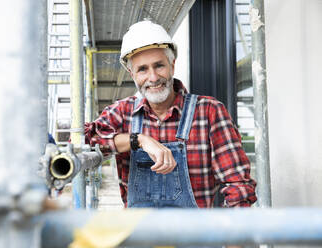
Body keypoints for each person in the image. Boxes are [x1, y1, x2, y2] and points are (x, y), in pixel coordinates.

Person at [85, 20, 257, 208]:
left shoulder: (209, 112)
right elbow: (81, 144)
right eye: (142, 69)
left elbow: (238, 187)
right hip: (140, 236)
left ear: (172, 65)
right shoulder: (123, 112)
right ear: (131, 74)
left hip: (193, 235)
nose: (153, 77)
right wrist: (138, 140)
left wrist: (222, 233)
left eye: (159, 66)